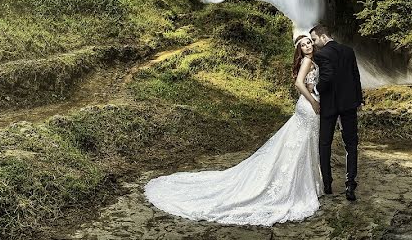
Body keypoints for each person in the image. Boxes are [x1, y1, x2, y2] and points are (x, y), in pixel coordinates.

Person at [143, 34, 324, 226]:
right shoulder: (306, 61)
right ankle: (298, 187)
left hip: (307, 104)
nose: (307, 46)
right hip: (308, 106)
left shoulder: (311, 61)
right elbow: (298, 84)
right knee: (301, 143)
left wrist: (314, 91)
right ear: (300, 50)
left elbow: (307, 83)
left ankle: (306, 184)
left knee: (302, 143)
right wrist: (313, 100)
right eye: (303, 45)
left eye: (309, 43)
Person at [310, 24, 364, 201]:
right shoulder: (349, 51)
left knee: (325, 143)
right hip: (349, 104)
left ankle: (327, 184)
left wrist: (316, 89)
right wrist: (358, 100)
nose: (314, 43)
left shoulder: (322, 54)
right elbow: (356, 76)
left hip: (330, 105)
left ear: (323, 36)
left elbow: (327, 77)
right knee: (351, 144)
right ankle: (350, 184)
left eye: (315, 39)